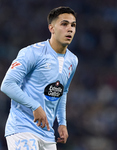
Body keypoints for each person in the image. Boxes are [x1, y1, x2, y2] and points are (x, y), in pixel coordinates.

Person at [1, 6, 78, 150]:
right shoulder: (31, 53)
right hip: (22, 128)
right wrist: (35, 106)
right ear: (51, 28)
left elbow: (62, 92)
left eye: (73, 25)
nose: (70, 29)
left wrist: (62, 123)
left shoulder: (72, 60)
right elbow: (7, 84)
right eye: (64, 24)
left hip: (47, 133)